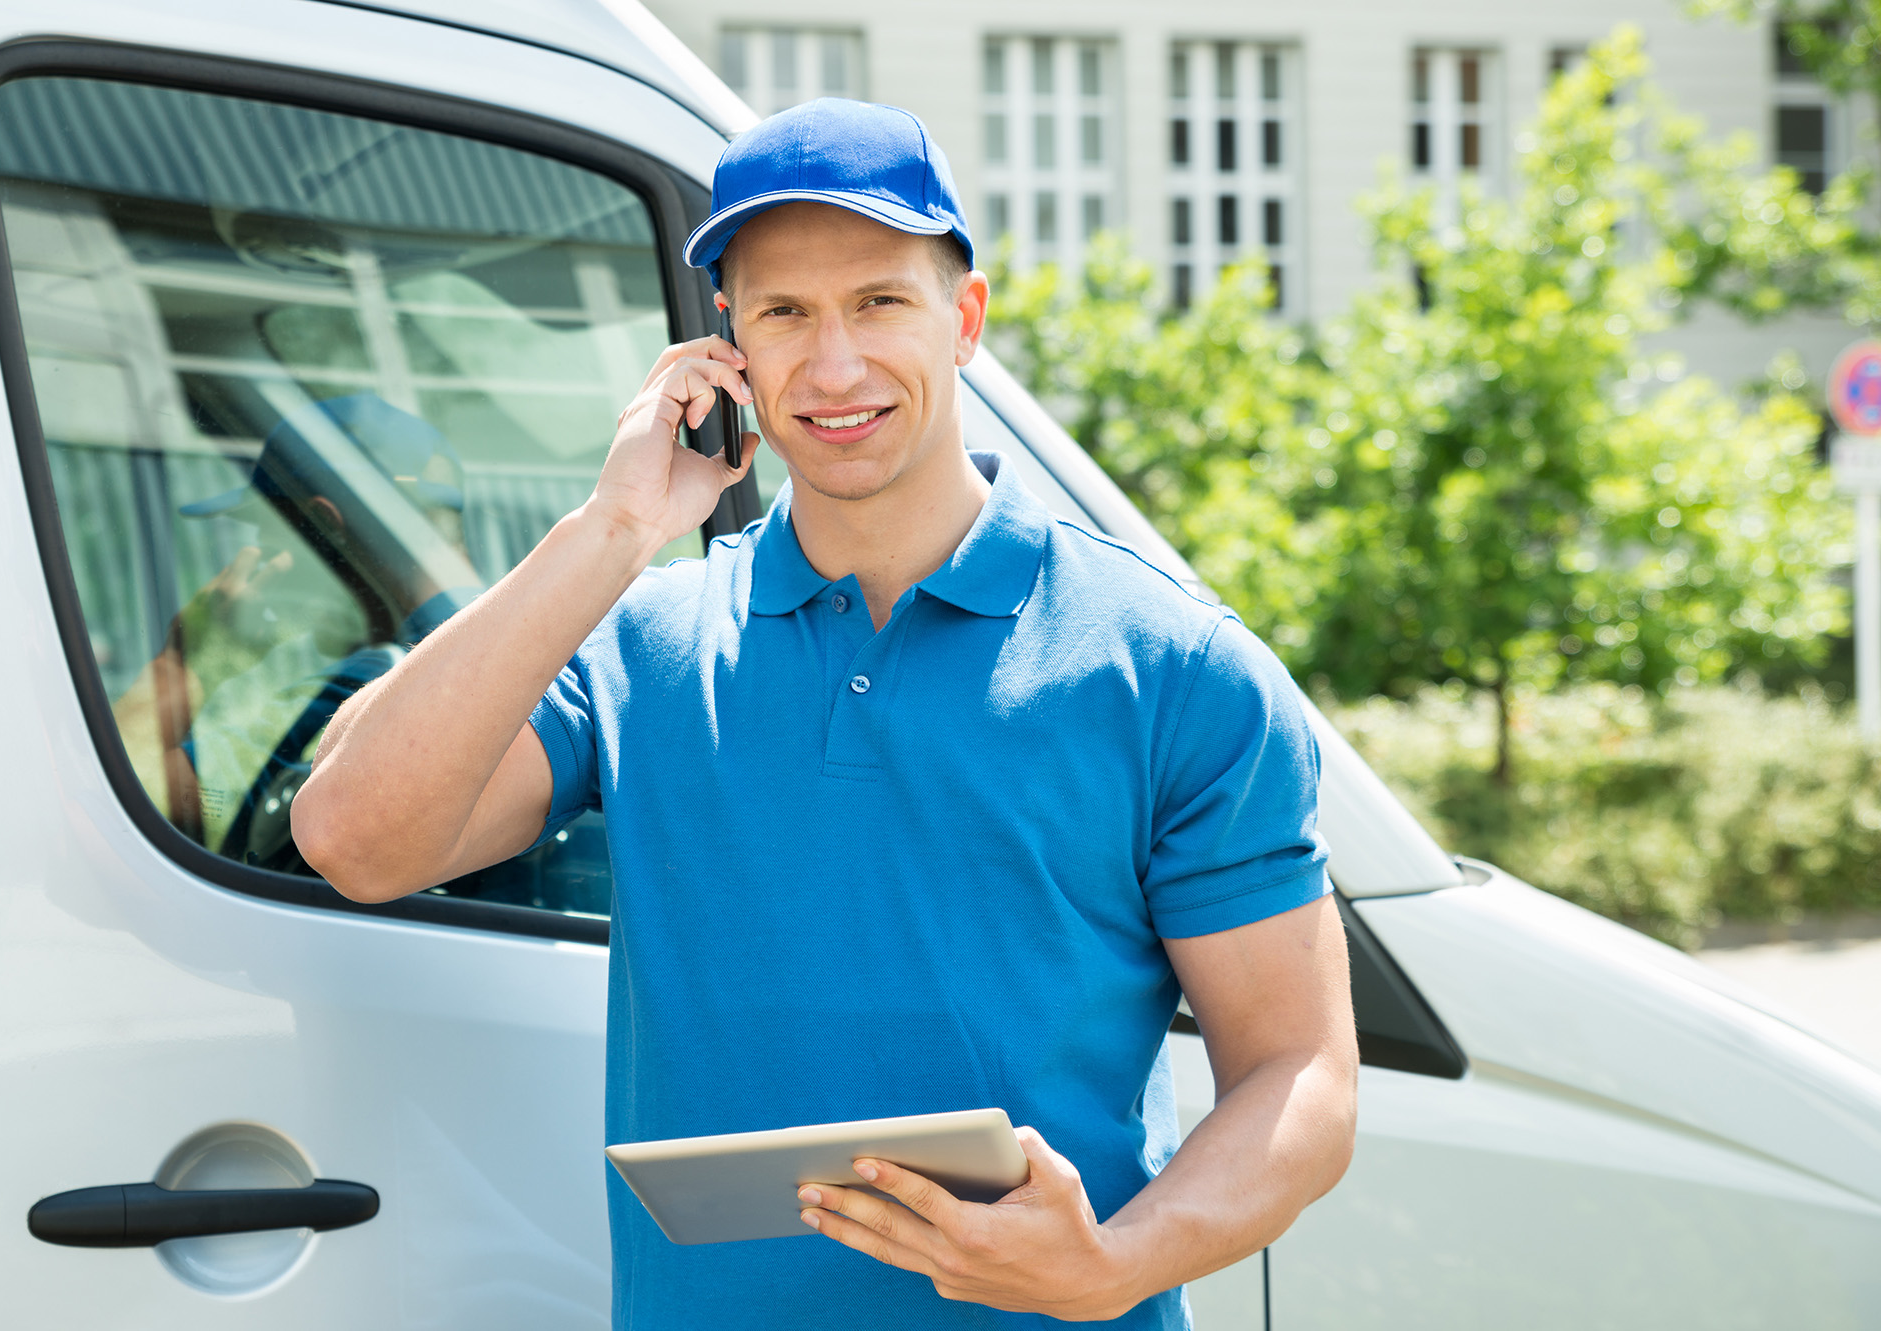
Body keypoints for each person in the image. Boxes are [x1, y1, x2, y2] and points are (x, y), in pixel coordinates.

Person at [292, 99, 1357, 1328]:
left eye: (878, 303)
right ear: (725, 342)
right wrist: (614, 530)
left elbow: (1300, 1072)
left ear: (962, 320)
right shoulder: (642, 639)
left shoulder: (1171, 660)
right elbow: (355, 840)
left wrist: (1117, 1260)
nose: (833, 364)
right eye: (784, 312)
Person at [114, 392, 479, 865]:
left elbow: (123, 801)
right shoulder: (518, 656)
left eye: (269, 538)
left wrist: (196, 654)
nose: (261, 564)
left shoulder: (366, 688)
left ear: (325, 527)